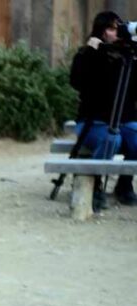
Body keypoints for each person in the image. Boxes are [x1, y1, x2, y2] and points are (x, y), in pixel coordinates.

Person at [69, 10, 137, 209]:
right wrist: (93, 54)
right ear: (100, 32)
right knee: (111, 139)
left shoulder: (128, 58)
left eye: (118, 29)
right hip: (93, 120)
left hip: (124, 121)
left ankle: (125, 185)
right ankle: (95, 185)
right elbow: (77, 82)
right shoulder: (87, 55)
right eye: (110, 29)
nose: (115, 34)